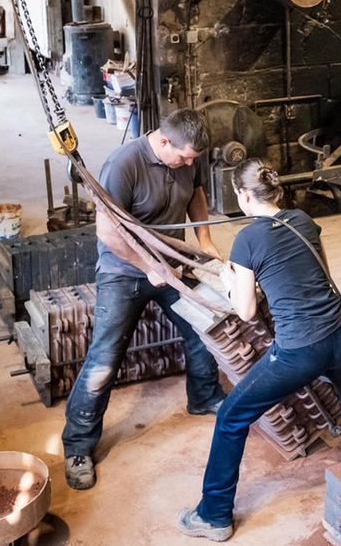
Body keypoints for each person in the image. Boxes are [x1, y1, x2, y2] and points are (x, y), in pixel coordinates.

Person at [178, 158, 341, 541]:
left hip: (300, 350)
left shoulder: (248, 239)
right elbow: (322, 275)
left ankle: (213, 515)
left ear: (244, 196)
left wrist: (231, 279)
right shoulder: (303, 221)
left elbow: (245, 311)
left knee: (231, 416)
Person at [62, 108, 228, 491]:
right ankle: (78, 446)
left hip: (172, 265)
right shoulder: (123, 164)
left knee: (205, 329)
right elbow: (107, 230)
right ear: (163, 141)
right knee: (105, 358)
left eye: (194, 160)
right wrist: (146, 265)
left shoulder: (188, 156)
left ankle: (204, 397)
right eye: (184, 157)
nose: (189, 164)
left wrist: (204, 242)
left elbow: (196, 193)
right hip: (125, 271)